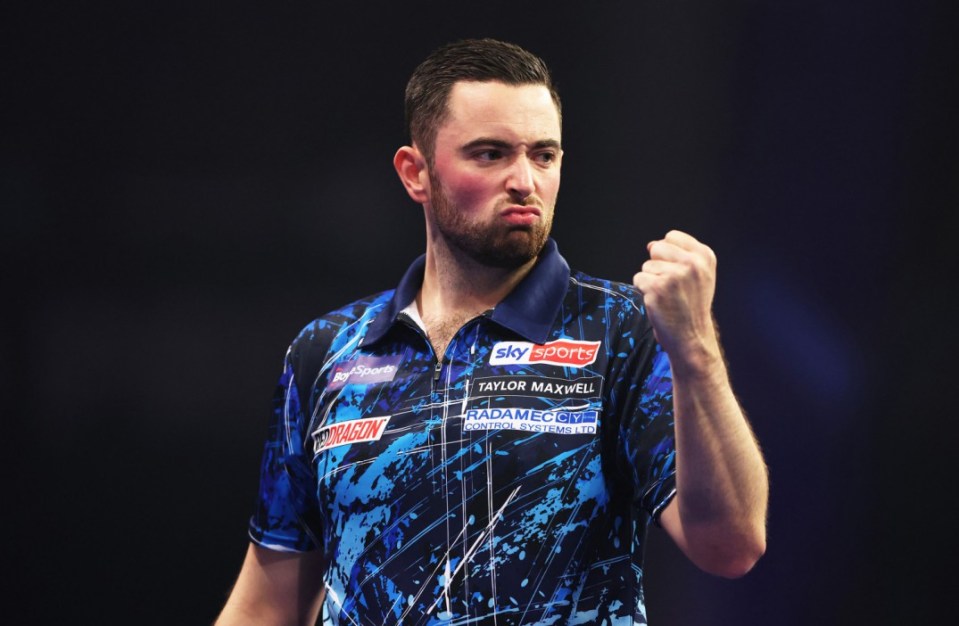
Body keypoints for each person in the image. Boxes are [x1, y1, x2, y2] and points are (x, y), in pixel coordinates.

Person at [215, 38, 768, 625]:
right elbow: (268, 604)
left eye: (544, 155)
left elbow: (730, 547)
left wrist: (697, 351)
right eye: (490, 154)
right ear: (415, 173)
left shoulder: (623, 330)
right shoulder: (327, 352)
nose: (525, 180)